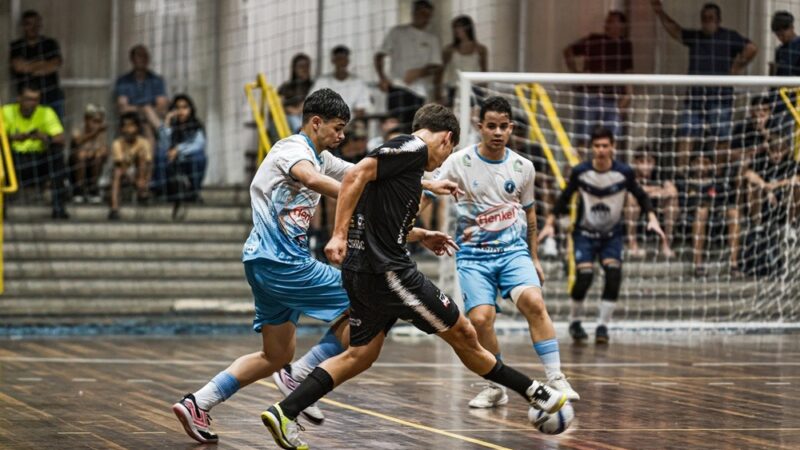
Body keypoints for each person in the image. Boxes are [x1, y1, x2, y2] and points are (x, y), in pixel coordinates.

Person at [261, 104, 568, 450]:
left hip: (365, 272)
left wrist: (422, 233)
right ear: (447, 139)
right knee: (464, 332)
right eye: (447, 152)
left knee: (359, 355)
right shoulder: (412, 148)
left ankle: (285, 411)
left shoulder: (404, 169)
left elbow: (382, 216)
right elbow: (354, 176)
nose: (441, 161)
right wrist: (338, 234)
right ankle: (536, 392)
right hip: (389, 273)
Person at [421, 96, 579, 408]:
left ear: (512, 129)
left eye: (503, 126)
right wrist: (410, 225)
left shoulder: (524, 167)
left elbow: (530, 215)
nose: (497, 132)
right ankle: (496, 386)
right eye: (491, 126)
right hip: (473, 257)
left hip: (512, 253)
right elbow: (427, 196)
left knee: (534, 301)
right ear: (479, 127)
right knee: (480, 320)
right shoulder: (458, 162)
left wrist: (533, 257)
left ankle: (556, 376)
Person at [539, 127, 667, 344]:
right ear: (592, 148)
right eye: (597, 146)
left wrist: (652, 218)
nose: (601, 150)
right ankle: (575, 321)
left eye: (605, 146)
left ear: (613, 147)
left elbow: (641, 195)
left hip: (611, 235)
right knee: (585, 276)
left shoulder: (623, 172)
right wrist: (550, 223)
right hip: (585, 234)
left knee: (614, 273)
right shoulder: (581, 171)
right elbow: (564, 198)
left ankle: (602, 326)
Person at [651, 0, 757, 170]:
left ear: (718, 19)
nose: (707, 21)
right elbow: (676, 31)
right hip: (695, 98)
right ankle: (682, 178)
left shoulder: (729, 36)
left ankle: (719, 181)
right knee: (686, 136)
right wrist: (660, 13)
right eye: (704, 18)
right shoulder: (696, 37)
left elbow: (752, 48)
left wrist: (736, 67)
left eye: (711, 18)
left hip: (720, 98)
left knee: (721, 140)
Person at [563, 10, 633, 152]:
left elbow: (627, 73)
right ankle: (576, 170)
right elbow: (568, 51)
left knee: (610, 139)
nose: (608, 24)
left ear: (622, 25)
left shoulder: (625, 45)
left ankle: (608, 171)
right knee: (583, 138)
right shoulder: (594, 40)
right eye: (608, 21)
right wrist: (576, 73)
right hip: (590, 96)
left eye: (612, 21)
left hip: (612, 98)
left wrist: (628, 94)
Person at [2, 83, 68, 219]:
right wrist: (12, 138)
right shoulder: (6, 111)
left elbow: (60, 139)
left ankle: (59, 208)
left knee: (57, 153)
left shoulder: (46, 112)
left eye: (35, 100)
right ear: (19, 98)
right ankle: (1, 209)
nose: (31, 103)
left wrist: (45, 137)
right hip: (13, 161)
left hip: (38, 161)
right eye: (28, 99)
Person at [375, 0, 442, 131]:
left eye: (428, 15)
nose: (425, 17)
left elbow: (437, 66)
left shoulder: (432, 39)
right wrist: (382, 78)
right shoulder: (397, 32)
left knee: (413, 130)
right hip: (397, 87)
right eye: (422, 13)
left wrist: (420, 72)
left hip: (419, 92)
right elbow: (379, 55)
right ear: (414, 13)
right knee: (394, 129)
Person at [684, 151, 741, 277]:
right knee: (701, 211)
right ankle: (698, 264)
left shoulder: (717, 181)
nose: (701, 166)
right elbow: (688, 201)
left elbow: (725, 198)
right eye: (698, 162)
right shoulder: (686, 181)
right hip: (694, 213)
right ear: (692, 164)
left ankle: (734, 264)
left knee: (734, 213)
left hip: (716, 210)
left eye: (705, 163)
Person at [9, 10, 65, 120]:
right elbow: (18, 67)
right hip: (27, 98)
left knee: (55, 129)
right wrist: (42, 65)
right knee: (27, 130)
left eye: (36, 24)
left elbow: (54, 65)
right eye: (29, 24)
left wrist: (28, 66)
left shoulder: (50, 43)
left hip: (51, 95)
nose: (33, 27)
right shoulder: (17, 46)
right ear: (23, 26)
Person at [625, 149, 677, 258]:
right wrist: (657, 190)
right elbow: (632, 190)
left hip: (656, 205)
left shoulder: (660, 173)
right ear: (635, 162)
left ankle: (666, 243)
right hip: (635, 206)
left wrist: (647, 191)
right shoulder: (629, 173)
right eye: (641, 162)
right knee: (631, 198)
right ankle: (632, 243)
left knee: (672, 201)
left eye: (649, 162)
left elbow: (672, 191)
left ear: (654, 163)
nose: (645, 166)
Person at [159, 94, 207, 211]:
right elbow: (164, 145)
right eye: (178, 108)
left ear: (190, 109)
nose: (181, 111)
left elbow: (199, 144)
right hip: (173, 162)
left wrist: (178, 150)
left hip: (189, 162)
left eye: (184, 107)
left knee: (199, 157)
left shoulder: (196, 125)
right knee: (159, 156)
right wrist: (167, 122)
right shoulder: (171, 125)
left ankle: (194, 192)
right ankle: (163, 192)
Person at [114, 45, 169, 149]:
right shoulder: (123, 81)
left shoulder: (157, 80)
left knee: (146, 126)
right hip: (131, 120)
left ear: (148, 59)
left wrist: (144, 111)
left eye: (144, 56)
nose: (142, 59)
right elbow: (123, 108)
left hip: (150, 121)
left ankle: (149, 163)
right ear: (132, 59)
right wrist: (144, 109)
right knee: (147, 110)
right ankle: (164, 134)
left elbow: (162, 108)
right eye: (139, 56)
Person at [108, 112, 152, 220]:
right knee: (117, 172)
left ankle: (142, 192)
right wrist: (134, 181)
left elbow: (149, 164)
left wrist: (145, 182)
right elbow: (120, 165)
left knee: (142, 156)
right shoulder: (117, 143)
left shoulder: (144, 143)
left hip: (139, 172)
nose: (128, 129)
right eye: (125, 126)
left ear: (137, 127)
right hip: (124, 173)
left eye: (131, 126)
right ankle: (114, 208)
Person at [309, 46, 372, 118]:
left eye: (344, 59)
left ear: (348, 61)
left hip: (351, 124)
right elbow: (311, 104)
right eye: (339, 59)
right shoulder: (322, 81)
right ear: (333, 61)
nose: (342, 62)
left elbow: (361, 109)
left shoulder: (358, 82)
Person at [440, 15, 488, 106]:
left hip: (475, 89)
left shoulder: (481, 49)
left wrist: (485, 93)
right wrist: (441, 93)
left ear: (468, 27)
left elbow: (484, 71)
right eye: (454, 27)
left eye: (459, 27)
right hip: (454, 88)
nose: (456, 30)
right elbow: (442, 71)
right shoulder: (449, 50)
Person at [70, 104, 108, 204]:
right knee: (81, 155)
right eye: (94, 121)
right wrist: (94, 134)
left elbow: (105, 152)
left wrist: (96, 152)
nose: (97, 125)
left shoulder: (101, 133)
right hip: (75, 167)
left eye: (100, 122)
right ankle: (78, 189)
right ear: (86, 119)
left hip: (93, 165)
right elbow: (77, 142)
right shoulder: (78, 129)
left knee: (98, 156)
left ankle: (93, 189)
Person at [278, 53, 314, 133]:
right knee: (292, 118)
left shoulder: (313, 85)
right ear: (294, 68)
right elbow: (278, 104)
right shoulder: (286, 86)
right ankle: (300, 135)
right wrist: (288, 109)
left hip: (306, 115)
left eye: (307, 66)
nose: (305, 69)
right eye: (301, 67)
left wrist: (299, 109)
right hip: (289, 117)